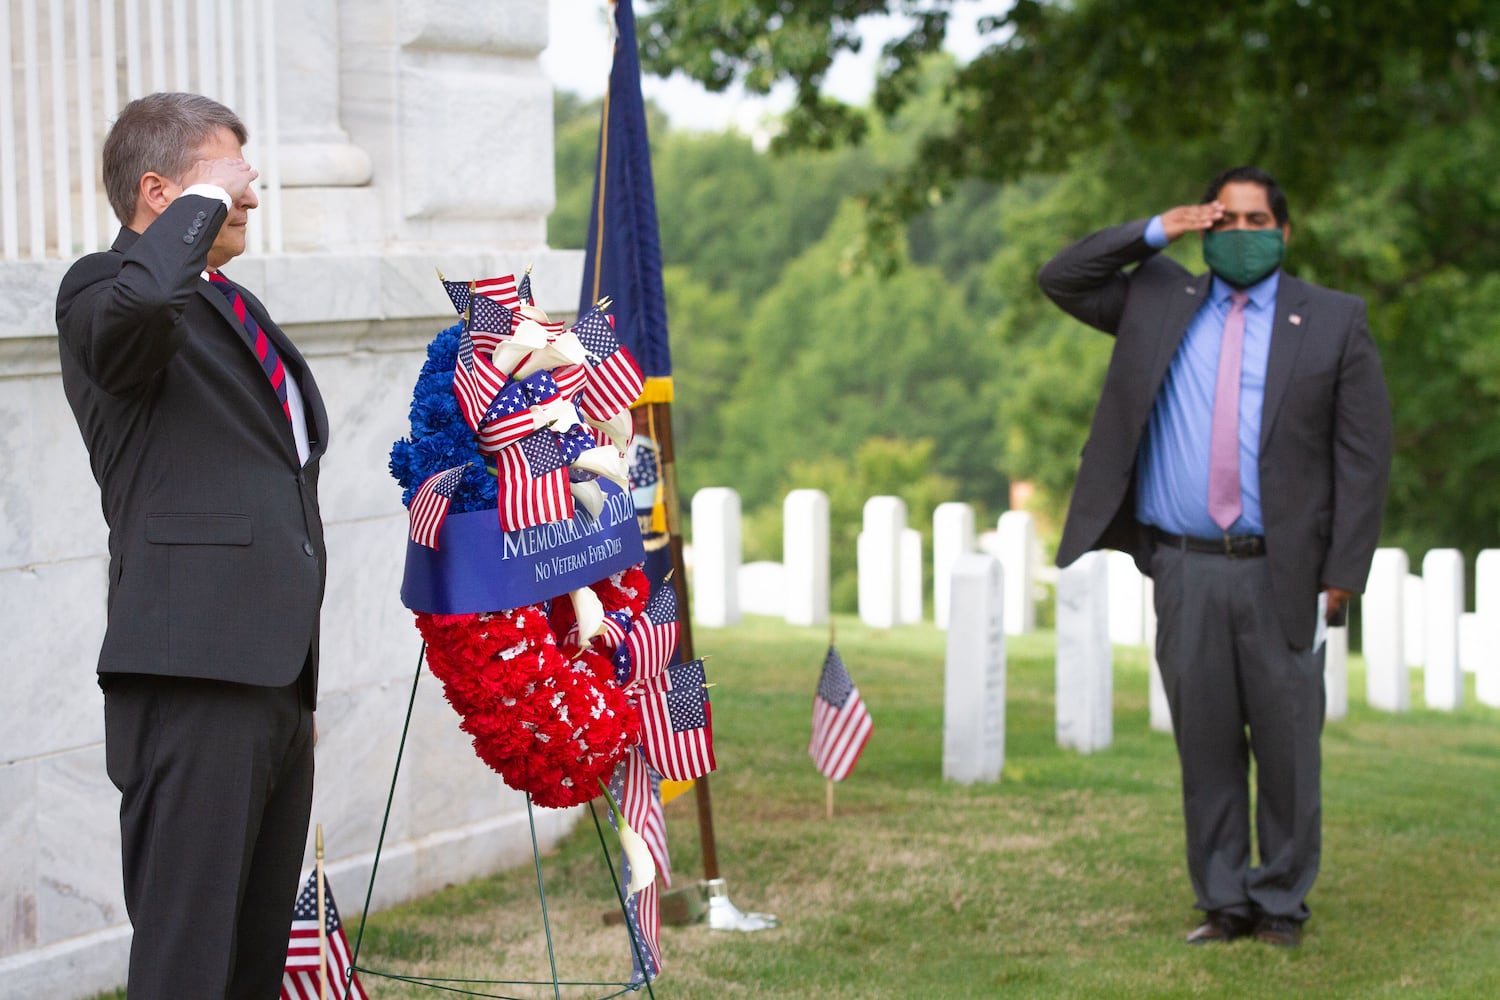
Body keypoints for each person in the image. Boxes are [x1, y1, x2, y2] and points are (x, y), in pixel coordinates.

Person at [1038, 166, 1392, 948]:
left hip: (1283, 570)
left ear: (1284, 232)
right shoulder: (1158, 300)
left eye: (1256, 219)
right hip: (1185, 566)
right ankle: (1224, 900)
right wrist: (1155, 229)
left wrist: (1343, 571)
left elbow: (1364, 456)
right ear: (1205, 228)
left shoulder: (1334, 320)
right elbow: (1060, 276)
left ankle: (1280, 904)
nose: (1240, 234)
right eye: (1223, 220)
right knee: (1205, 741)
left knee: (1289, 744)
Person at [56, 92, 329, 997]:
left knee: (251, 963)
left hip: (274, 681)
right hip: (192, 675)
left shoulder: (231, 305)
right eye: (229, 175)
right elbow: (138, 317)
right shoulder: (104, 288)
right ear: (158, 191)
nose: (251, 193)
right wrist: (199, 205)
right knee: (188, 963)